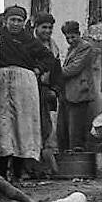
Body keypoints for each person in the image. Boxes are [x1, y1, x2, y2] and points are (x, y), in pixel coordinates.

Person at [0, 5, 56, 182]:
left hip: (23, 87)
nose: (16, 24)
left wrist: (38, 69)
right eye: (12, 20)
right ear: (5, 21)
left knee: (21, 127)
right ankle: (1, 173)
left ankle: (17, 173)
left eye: (19, 20)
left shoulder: (29, 40)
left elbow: (48, 58)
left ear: (24, 23)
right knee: (2, 125)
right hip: (0, 84)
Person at [58, 20, 96, 152]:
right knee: (64, 131)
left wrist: (54, 72)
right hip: (68, 94)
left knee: (76, 131)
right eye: (67, 38)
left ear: (79, 34)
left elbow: (74, 68)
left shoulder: (86, 47)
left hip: (79, 94)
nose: (70, 40)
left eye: (73, 37)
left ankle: (77, 162)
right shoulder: (72, 49)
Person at [32, 12, 62, 167]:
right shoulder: (29, 44)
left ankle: (46, 166)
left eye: (50, 28)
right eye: (44, 27)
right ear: (36, 27)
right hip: (31, 91)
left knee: (47, 129)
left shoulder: (53, 47)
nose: (48, 31)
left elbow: (58, 73)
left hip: (46, 92)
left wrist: (55, 90)